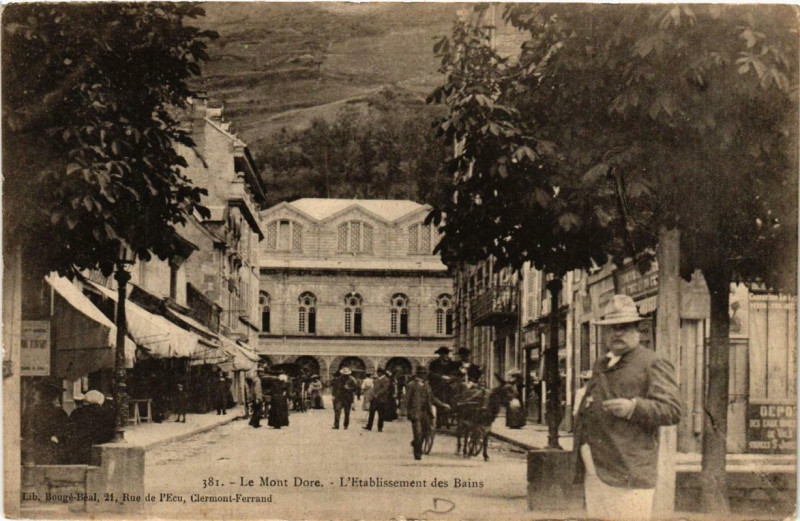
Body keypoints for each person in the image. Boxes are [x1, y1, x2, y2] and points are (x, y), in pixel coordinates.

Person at [573, 295, 681, 520]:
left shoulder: (653, 362)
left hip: (629, 469)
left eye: (624, 328)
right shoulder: (601, 363)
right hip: (595, 466)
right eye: (612, 328)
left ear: (637, 331)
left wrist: (633, 407)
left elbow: (672, 410)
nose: (617, 333)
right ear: (604, 333)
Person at [404, 366, 449, 460]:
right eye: (422, 373)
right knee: (418, 433)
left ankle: (415, 443)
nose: (424, 375)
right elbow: (406, 399)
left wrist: (442, 404)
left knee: (425, 432)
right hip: (415, 412)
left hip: (426, 412)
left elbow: (432, 398)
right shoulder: (411, 385)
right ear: (418, 374)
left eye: (425, 373)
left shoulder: (427, 386)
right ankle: (418, 454)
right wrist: (406, 411)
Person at [67, 389, 114, 464]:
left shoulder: (77, 412)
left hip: (78, 449)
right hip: (97, 448)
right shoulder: (105, 413)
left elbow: (69, 429)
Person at [428, 346, 456, 427]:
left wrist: (450, 378)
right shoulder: (434, 364)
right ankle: (439, 419)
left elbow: (455, 373)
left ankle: (449, 417)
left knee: (454, 397)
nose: (445, 356)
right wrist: (441, 377)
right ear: (440, 355)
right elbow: (431, 374)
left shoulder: (451, 363)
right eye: (443, 354)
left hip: (449, 385)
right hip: (437, 385)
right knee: (438, 398)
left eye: (446, 354)